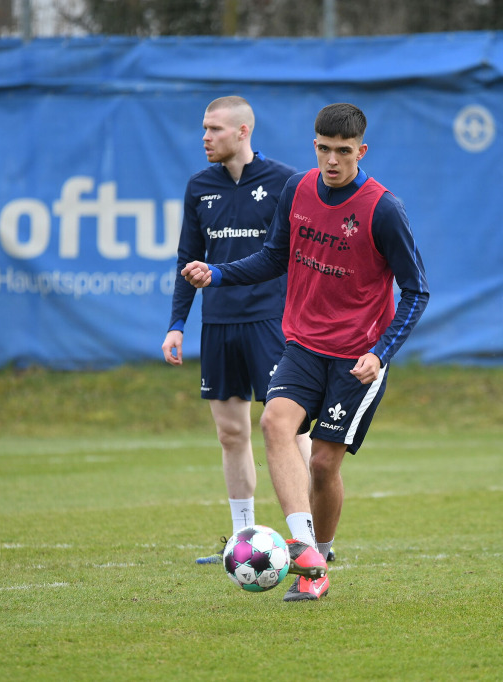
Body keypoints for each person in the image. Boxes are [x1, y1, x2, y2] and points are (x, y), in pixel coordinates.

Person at [182, 102, 430, 601]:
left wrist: (381, 353)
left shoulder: (383, 209)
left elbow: (416, 290)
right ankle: (305, 552)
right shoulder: (296, 190)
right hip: (302, 344)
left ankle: (322, 553)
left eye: (343, 151)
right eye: (324, 149)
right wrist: (219, 273)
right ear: (314, 146)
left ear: (361, 151)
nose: (332, 160)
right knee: (274, 423)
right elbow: (274, 257)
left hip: (357, 359)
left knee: (322, 464)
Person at [162, 95, 313, 563]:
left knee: (290, 430)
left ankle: (310, 538)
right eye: (204, 128)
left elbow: (296, 255)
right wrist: (177, 324)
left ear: (243, 131)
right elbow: (189, 258)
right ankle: (241, 538)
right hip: (219, 323)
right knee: (231, 434)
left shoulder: (285, 181)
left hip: (272, 322)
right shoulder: (199, 186)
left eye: (215, 129)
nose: (205, 137)